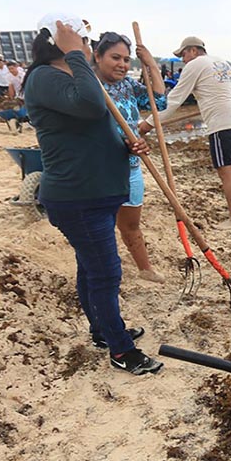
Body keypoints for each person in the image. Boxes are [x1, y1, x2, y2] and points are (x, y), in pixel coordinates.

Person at [23, 13, 162, 377]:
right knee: (105, 273)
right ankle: (121, 350)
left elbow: (91, 130)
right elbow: (90, 106)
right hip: (77, 198)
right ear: (61, 44)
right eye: (84, 42)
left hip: (95, 194)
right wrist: (73, 52)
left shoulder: (67, 77)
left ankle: (102, 331)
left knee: (91, 269)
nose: (87, 47)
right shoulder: (44, 77)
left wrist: (126, 145)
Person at [139, 36, 231, 228]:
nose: (183, 59)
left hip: (221, 124)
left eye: (183, 54)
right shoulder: (220, 61)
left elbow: (174, 100)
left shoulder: (195, 64)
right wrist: (217, 95)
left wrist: (148, 124)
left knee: (226, 172)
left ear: (193, 50)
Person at [94, 31, 167, 283]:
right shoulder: (90, 87)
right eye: (115, 57)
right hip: (99, 170)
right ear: (97, 56)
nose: (122, 65)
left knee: (131, 223)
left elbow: (159, 101)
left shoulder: (127, 85)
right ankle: (105, 271)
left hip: (132, 166)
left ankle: (144, 268)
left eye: (126, 60)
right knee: (100, 227)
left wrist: (151, 64)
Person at [0, 60, 28, 132]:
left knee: (27, 110)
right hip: (19, 96)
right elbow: (11, 87)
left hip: (27, 94)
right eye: (9, 69)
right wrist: (11, 98)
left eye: (12, 68)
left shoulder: (22, 75)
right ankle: (17, 124)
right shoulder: (9, 76)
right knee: (17, 110)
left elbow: (26, 86)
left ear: (16, 67)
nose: (11, 70)